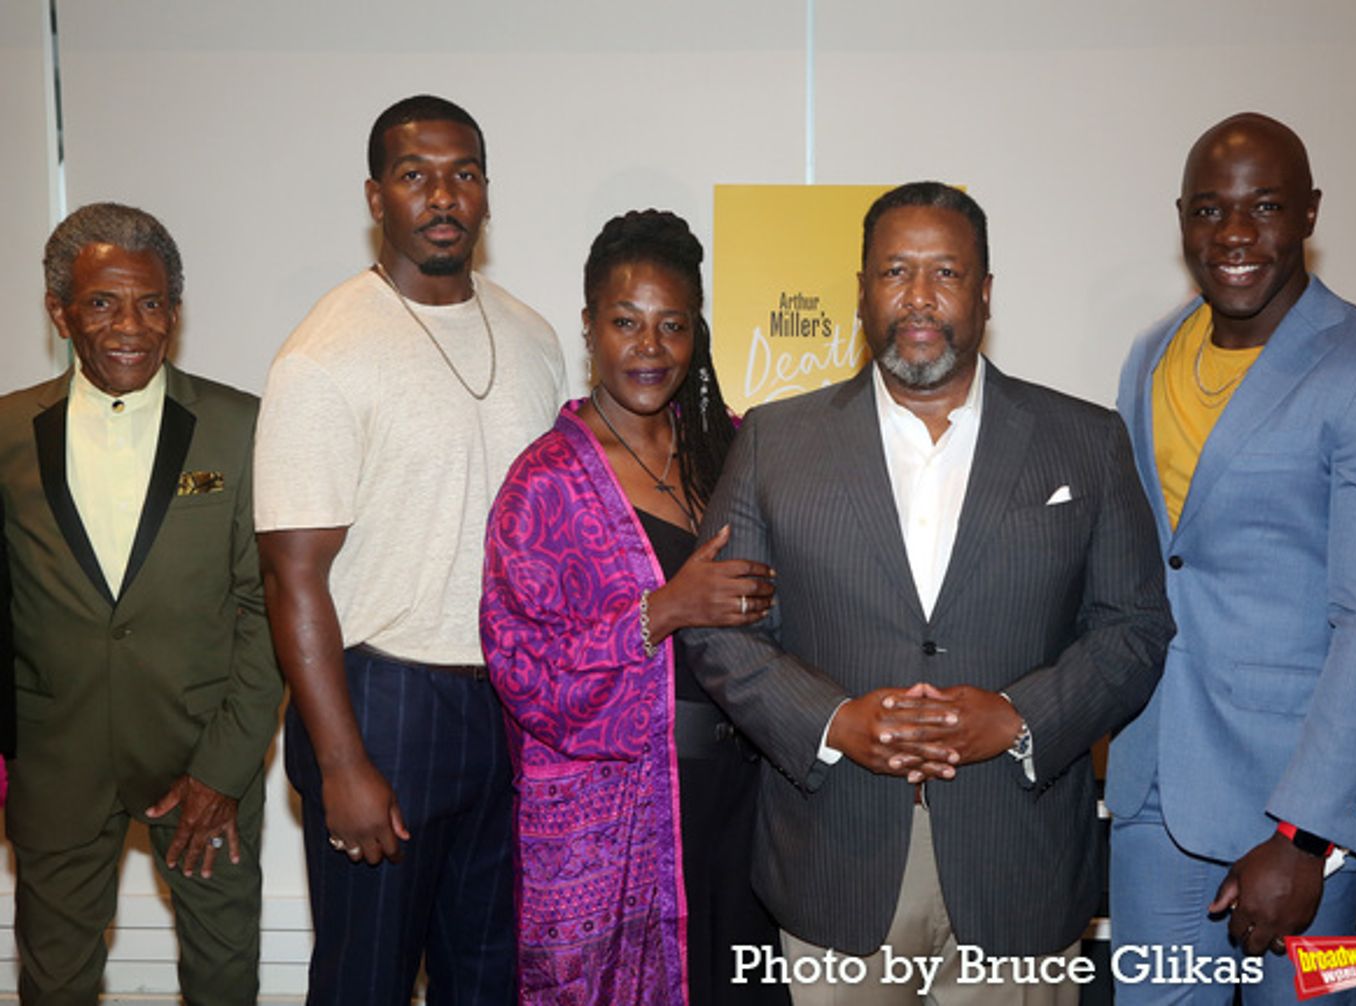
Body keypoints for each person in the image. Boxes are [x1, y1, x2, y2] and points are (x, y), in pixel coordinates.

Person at [681, 181, 1174, 1006]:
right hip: (836, 856)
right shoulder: (775, 439)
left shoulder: (1085, 441)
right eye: (894, 272)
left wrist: (1018, 718)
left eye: (945, 272)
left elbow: (1135, 627)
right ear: (863, 290)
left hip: (1018, 858)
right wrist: (836, 720)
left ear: (984, 292)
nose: (918, 297)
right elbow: (719, 629)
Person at [255, 95, 566, 1003]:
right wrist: (343, 763)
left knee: (493, 981)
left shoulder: (535, 339)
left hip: (511, 705)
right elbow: (291, 574)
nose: (442, 196)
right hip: (382, 702)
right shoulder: (324, 353)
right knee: (366, 981)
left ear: (485, 194)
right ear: (375, 195)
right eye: (415, 175)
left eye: (463, 174)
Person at [1107, 112, 1356, 1003]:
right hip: (1159, 786)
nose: (1234, 235)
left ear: (1309, 214)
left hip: (1305, 809)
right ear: (1183, 219)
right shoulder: (1152, 353)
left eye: (1264, 207)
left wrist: (1306, 835)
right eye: (1209, 210)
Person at [480, 209, 789, 1006]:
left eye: (672, 325)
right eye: (626, 322)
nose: (649, 348)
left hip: (741, 805)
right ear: (589, 327)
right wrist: (663, 610)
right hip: (617, 821)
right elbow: (525, 673)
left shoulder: (732, 447)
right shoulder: (544, 484)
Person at [0, 202, 282, 1003]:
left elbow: (264, 610)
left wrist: (223, 772)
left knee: (224, 978)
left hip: (206, 765)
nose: (131, 325)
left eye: (151, 302)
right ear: (60, 312)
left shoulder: (239, 427)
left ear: (175, 312)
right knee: (53, 983)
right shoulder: (7, 433)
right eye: (102, 302)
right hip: (57, 769)